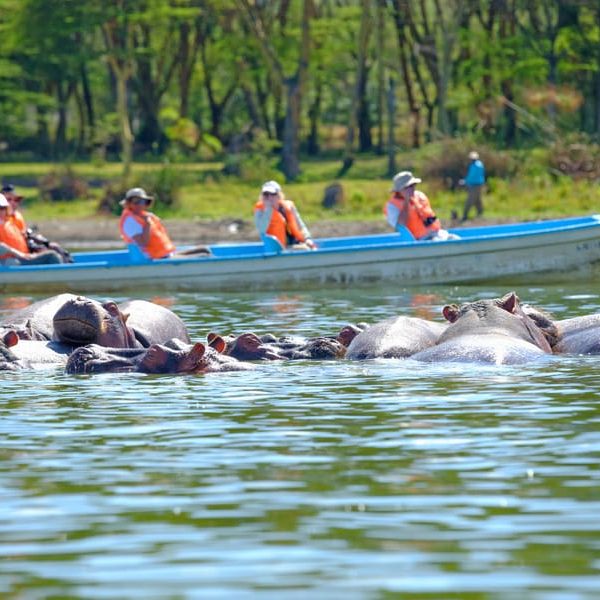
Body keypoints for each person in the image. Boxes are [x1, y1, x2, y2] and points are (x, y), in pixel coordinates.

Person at [119, 187, 210, 260]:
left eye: (142, 202)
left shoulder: (144, 216)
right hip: (155, 258)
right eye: (136, 202)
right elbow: (143, 243)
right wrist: (147, 224)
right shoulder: (130, 221)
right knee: (203, 256)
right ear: (128, 204)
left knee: (205, 250)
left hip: (166, 254)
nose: (139, 205)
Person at [1, 183, 72, 262]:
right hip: (14, 260)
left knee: (56, 250)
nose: (13, 203)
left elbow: (24, 238)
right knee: (52, 256)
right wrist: (19, 254)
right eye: (9, 200)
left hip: (25, 255)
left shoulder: (11, 221)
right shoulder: (6, 221)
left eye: (17, 200)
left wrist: (41, 246)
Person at [384, 171, 457, 241]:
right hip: (418, 240)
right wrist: (406, 201)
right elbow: (401, 226)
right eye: (408, 187)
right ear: (399, 190)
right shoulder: (391, 206)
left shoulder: (420, 195)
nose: (412, 188)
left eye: (413, 185)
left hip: (437, 233)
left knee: (455, 238)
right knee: (437, 242)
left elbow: (430, 217)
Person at [254, 180, 316, 250]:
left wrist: (307, 238)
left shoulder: (288, 207)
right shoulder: (260, 211)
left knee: (311, 248)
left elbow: (300, 225)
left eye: (272, 194)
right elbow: (262, 230)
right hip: (277, 249)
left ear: (278, 195)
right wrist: (268, 210)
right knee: (305, 249)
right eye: (266, 194)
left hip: (294, 243)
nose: (269, 197)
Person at [461, 151, 486, 221]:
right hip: (479, 184)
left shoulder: (474, 166)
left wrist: (465, 181)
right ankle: (480, 213)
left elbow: (471, 176)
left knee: (470, 200)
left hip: (474, 185)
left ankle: (465, 215)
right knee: (477, 199)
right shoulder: (480, 164)